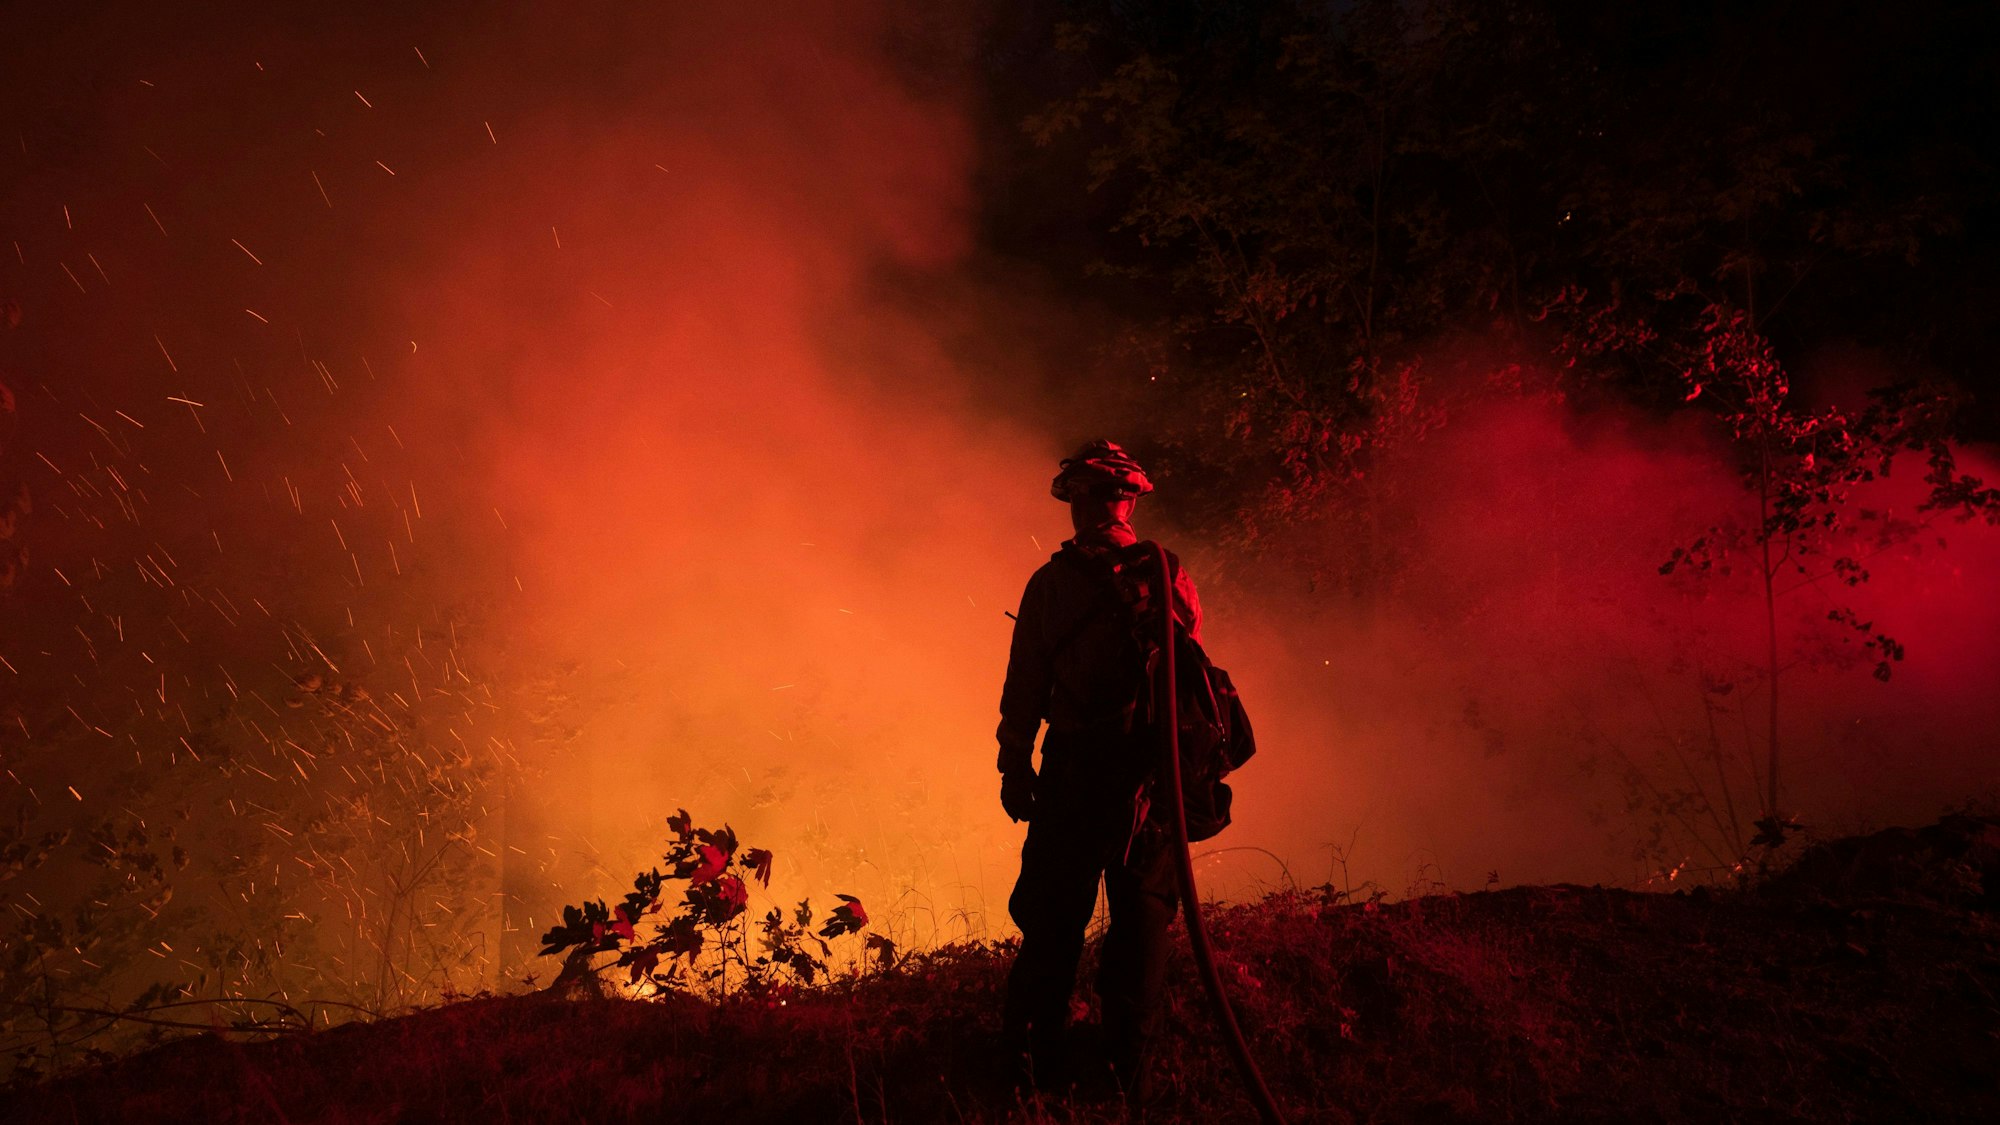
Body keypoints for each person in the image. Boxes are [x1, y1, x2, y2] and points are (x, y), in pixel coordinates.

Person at [996, 440, 1202, 1099]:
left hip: (1074, 774)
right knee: (1142, 922)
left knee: (1053, 923)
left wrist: (1014, 765)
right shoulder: (1169, 574)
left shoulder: (1051, 584)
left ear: (1081, 501)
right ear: (1131, 500)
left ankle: (1029, 1073)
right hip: (1149, 779)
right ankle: (1127, 1081)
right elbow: (1189, 672)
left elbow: (1024, 686)